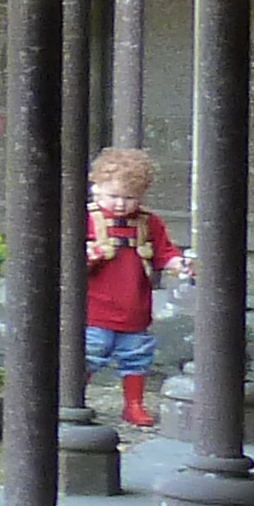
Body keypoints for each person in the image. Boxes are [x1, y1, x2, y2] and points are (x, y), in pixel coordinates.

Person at [83, 144, 187, 432]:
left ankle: (134, 405)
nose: (120, 204)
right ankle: (73, 400)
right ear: (97, 189)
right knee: (89, 354)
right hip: (95, 309)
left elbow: (164, 251)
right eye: (113, 196)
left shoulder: (148, 223)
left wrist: (177, 263)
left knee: (137, 357)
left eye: (129, 198)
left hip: (135, 308)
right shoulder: (88, 220)